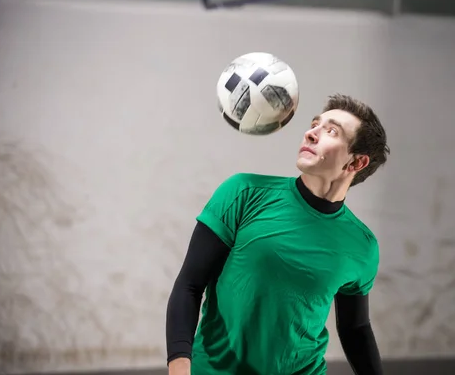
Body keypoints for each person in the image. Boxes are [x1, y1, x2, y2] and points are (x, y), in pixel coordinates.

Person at [166, 94, 390, 375]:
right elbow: (189, 285)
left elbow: (355, 328)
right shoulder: (243, 193)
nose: (311, 133)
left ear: (356, 163)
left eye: (331, 131)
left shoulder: (363, 245)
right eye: (315, 124)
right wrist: (178, 369)